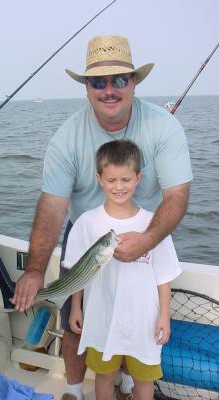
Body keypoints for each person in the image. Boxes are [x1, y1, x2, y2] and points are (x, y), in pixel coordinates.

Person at [11, 35, 192, 400]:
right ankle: (76, 393)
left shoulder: (165, 127)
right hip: (86, 234)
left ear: (134, 82)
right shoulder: (66, 139)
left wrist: (148, 239)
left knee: (134, 316)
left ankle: (128, 382)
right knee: (78, 322)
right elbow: (52, 206)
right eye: (98, 82)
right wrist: (34, 269)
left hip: (146, 233)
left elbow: (177, 196)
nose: (109, 90)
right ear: (87, 88)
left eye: (119, 80)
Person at [65, 139, 181, 400]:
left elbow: (163, 275)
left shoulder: (154, 223)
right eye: (112, 180)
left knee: (144, 378)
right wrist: (76, 307)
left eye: (126, 179)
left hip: (145, 320)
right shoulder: (87, 222)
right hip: (101, 318)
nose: (119, 187)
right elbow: (77, 272)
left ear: (138, 178)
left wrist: (164, 316)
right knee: (103, 376)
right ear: (99, 179)